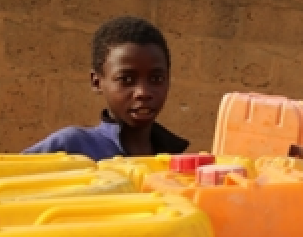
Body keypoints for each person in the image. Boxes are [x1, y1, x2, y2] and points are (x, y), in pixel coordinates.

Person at [23, 16, 188, 160]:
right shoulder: (70, 148)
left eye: (156, 79)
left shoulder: (175, 160)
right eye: (127, 79)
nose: (143, 92)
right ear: (97, 82)